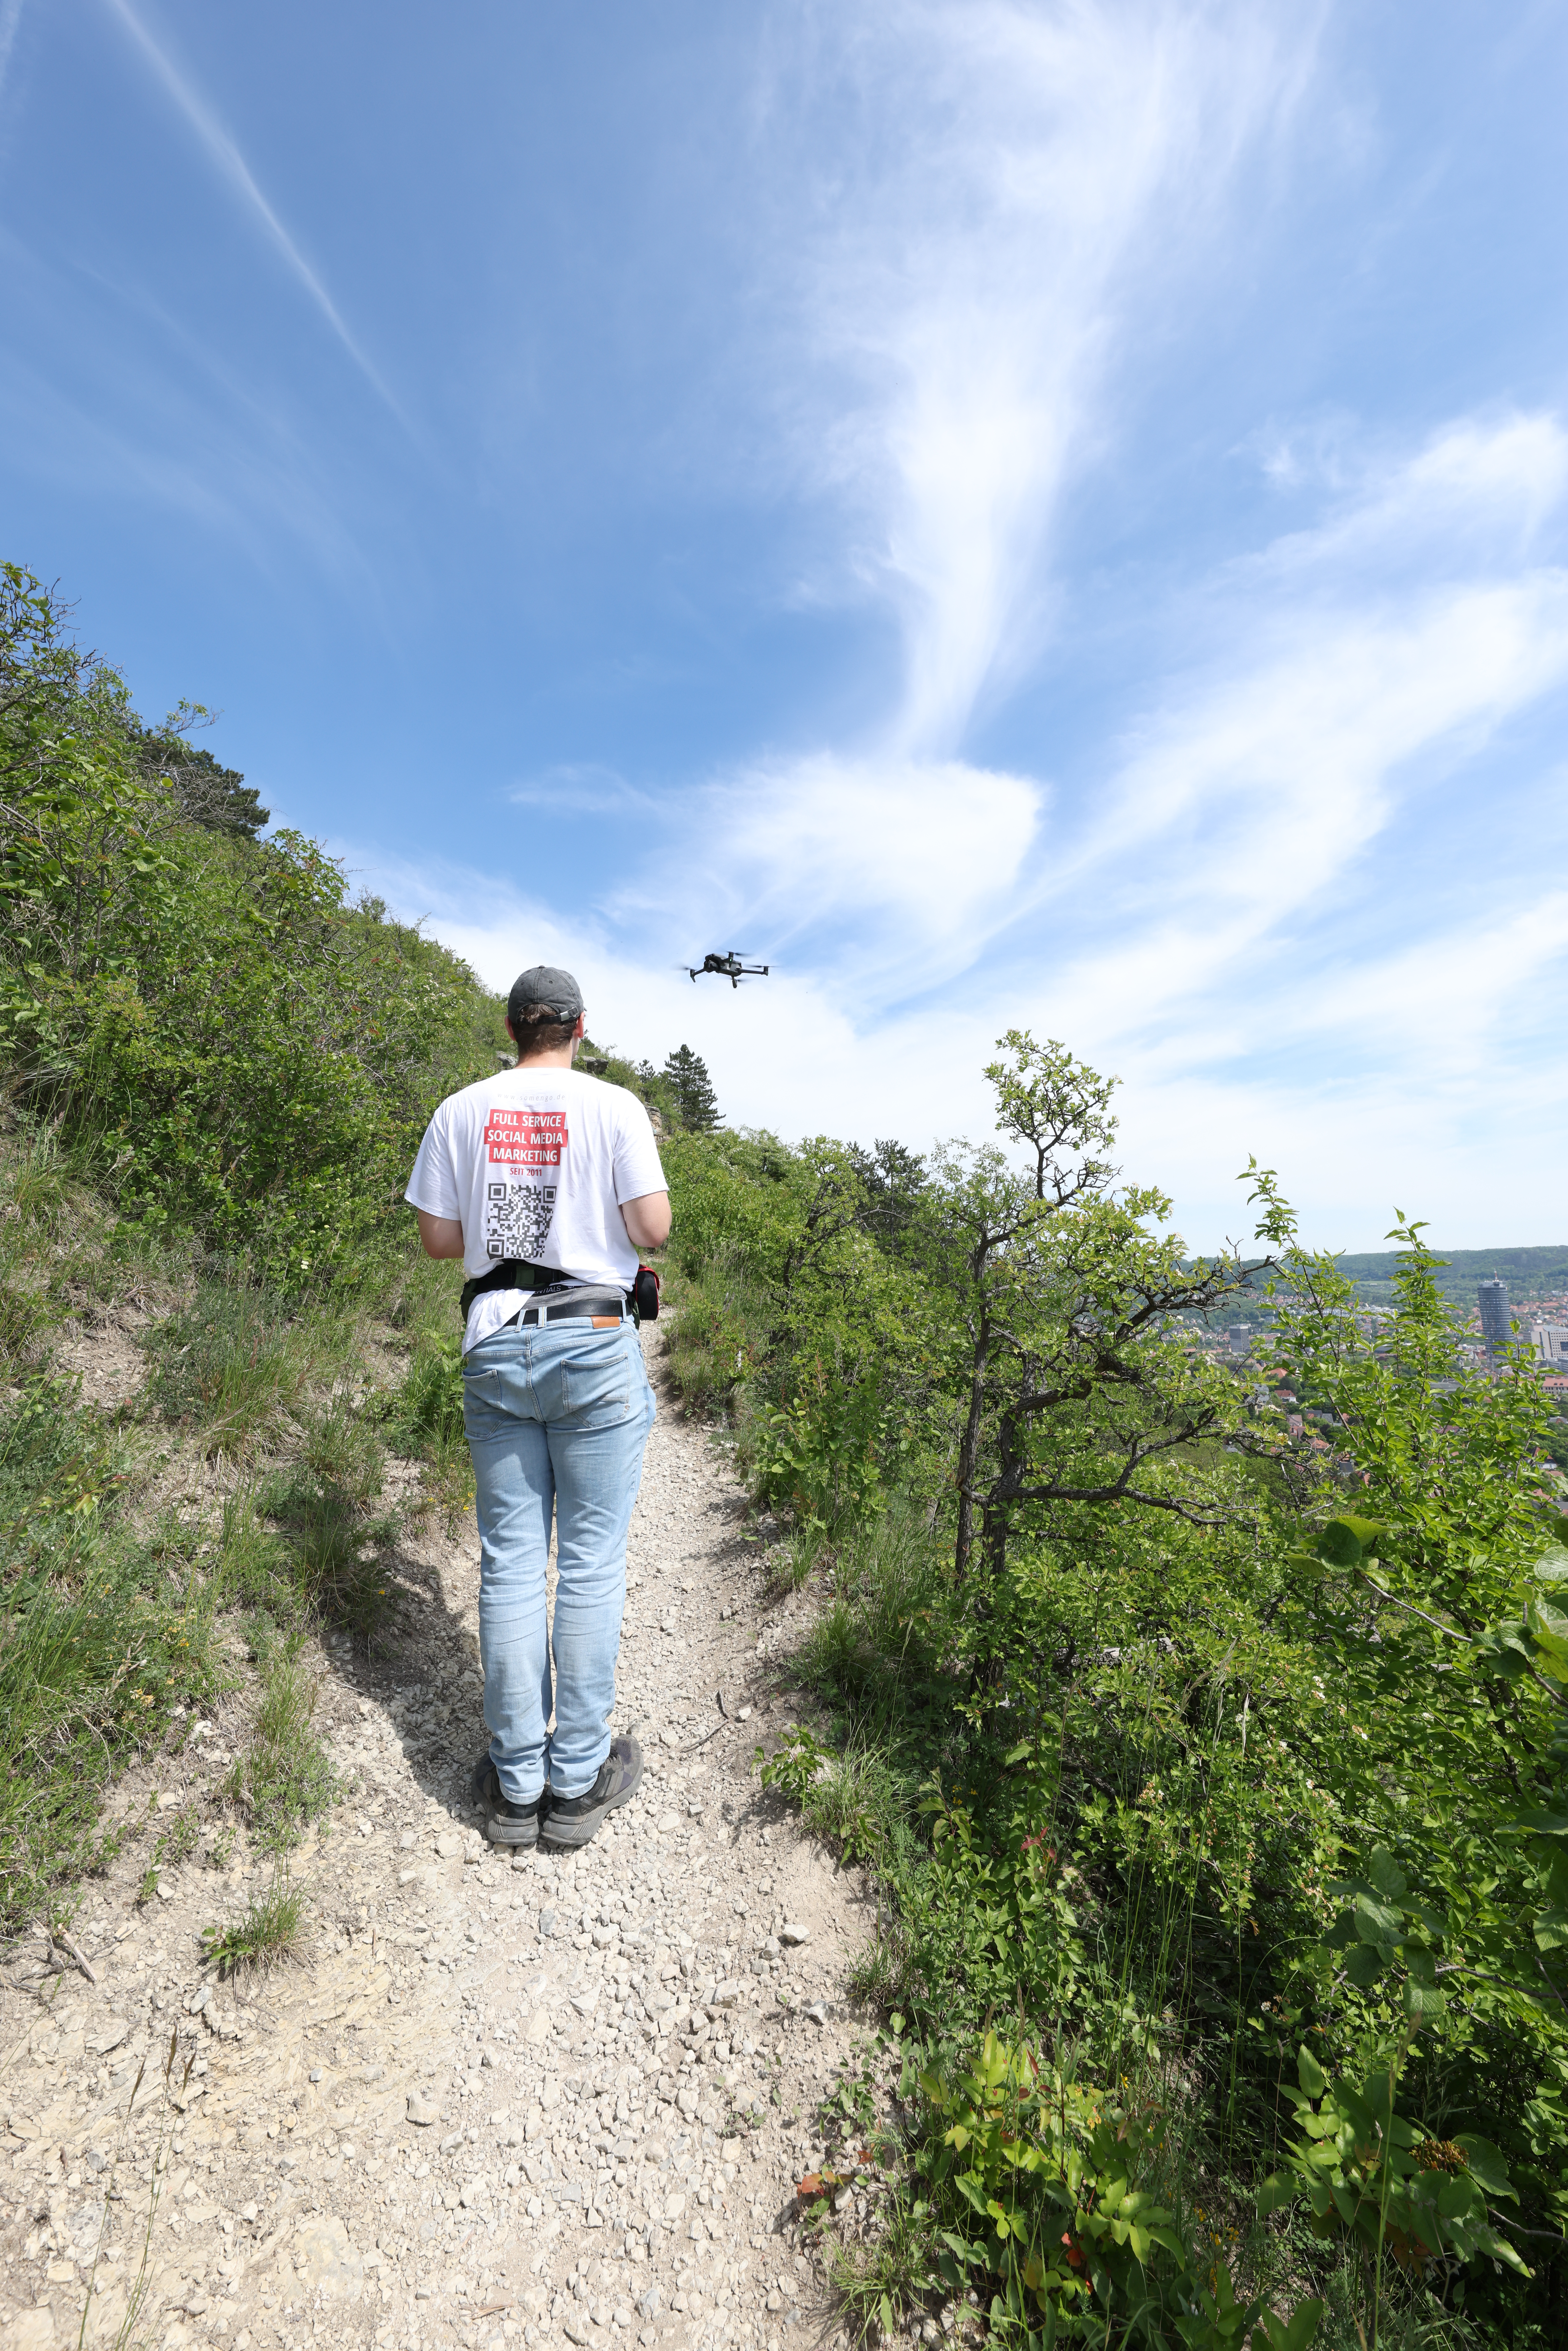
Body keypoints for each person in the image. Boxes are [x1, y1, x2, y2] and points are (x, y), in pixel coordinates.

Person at [405, 965, 671, 1850]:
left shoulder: (460, 1109)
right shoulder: (616, 1107)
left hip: (496, 1339)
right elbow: (653, 1229)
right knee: (590, 1562)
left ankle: (516, 1787)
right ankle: (579, 1775)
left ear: (513, 1026)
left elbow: (442, 1241)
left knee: (512, 1563)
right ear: (579, 1029)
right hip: (592, 1337)